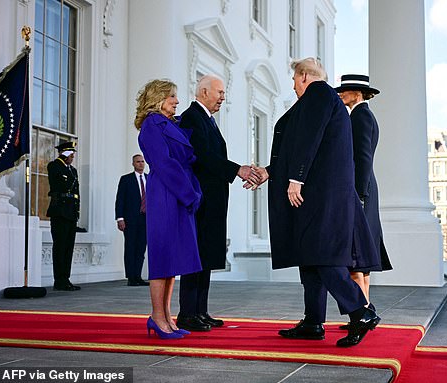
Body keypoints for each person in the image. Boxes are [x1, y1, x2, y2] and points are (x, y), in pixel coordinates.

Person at [249, 58, 381, 347]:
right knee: (310, 258)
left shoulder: (319, 93)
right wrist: (270, 172)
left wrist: (296, 179)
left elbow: (309, 139)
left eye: (295, 80)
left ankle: (362, 312)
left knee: (324, 257)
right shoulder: (319, 100)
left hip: (323, 197)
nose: (294, 87)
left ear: (305, 76)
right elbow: (300, 147)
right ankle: (313, 322)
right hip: (318, 196)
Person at [176, 74, 256, 332]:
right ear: (203, 92)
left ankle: (200, 311)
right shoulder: (191, 117)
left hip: (213, 200)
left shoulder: (207, 119)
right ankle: (187, 313)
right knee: (196, 255)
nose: (223, 97)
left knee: (207, 254)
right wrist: (237, 170)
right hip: (200, 199)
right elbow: (201, 156)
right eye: (219, 92)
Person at [136, 79, 203, 339]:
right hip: (167, 192)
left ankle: (167, 317)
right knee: (163, 258)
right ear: (158, 98)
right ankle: (157, 317)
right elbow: (164, 164)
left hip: (178, 192)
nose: (176, 101)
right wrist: (189, 194)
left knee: (173, 259)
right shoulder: (152, 124)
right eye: (172, 96)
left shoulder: (169, 124)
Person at [334, 74, 393, 323]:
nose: (340, 94)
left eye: (344, 91)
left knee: (356, 254)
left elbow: (363, 157)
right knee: (361, 258)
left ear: (357, 93)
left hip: (361, 191)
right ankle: (366, 306)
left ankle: (363, 313)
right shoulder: (360, 115)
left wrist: (358, 194)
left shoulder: (360, 116)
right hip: (365, 189)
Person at [47, 141, 81, 291]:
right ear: (64, 154)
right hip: (60, 211)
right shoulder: (55, 166)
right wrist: (62, 160)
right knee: (60, 247)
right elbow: (59, 184)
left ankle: (65, 278)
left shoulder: (73, 170)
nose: (72, 157)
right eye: (70, 154)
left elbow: (76, 193)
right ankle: (59, 280)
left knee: (68, 247)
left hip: (71, 212)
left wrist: (77, 211)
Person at [115, 154, 150, 287]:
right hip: (130, 219)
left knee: (141, 248)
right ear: (133, 163)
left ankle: (138, 276)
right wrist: (120, 218)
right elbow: (120, 200)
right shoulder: (126, 180)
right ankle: (131, 277)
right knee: (130, 247)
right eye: (138, 162)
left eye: (142, 162)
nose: (141, 164)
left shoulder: (149, 179)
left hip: (145, 219)